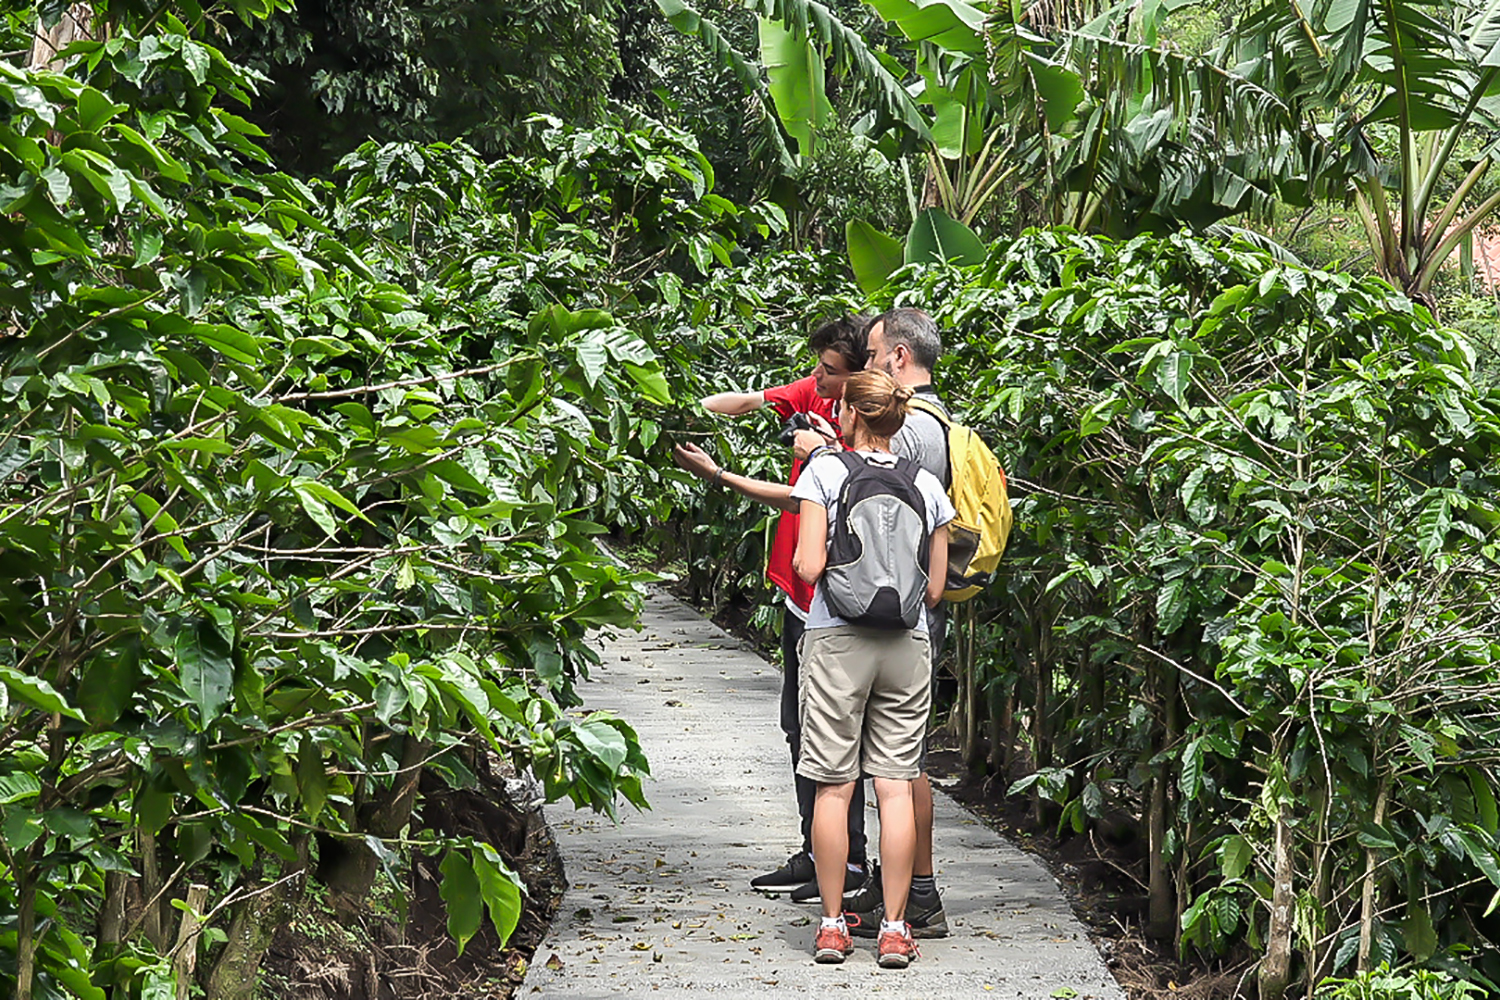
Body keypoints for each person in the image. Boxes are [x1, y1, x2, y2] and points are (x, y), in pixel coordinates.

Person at [672, 316, 872, 903]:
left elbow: (809, 494)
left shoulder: (869, 427)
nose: (817, 378)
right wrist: (682, 405)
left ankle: (849, 862)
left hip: (834, 606)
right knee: (798, 729)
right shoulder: (815, 392)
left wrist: (723, 475)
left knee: (834, 739)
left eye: (831, 371)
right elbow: (751, 401)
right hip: (798, 595)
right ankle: (816, 850)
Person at [793, 307, 953, 939]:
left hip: (838, 638)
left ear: (851, 413)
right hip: (908, 643)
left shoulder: (825, 469)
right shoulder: (925, 483)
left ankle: (833, 923)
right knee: (895, 783)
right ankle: (894, 928)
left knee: (834, 786)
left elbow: (807, 565)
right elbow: (935, 586)